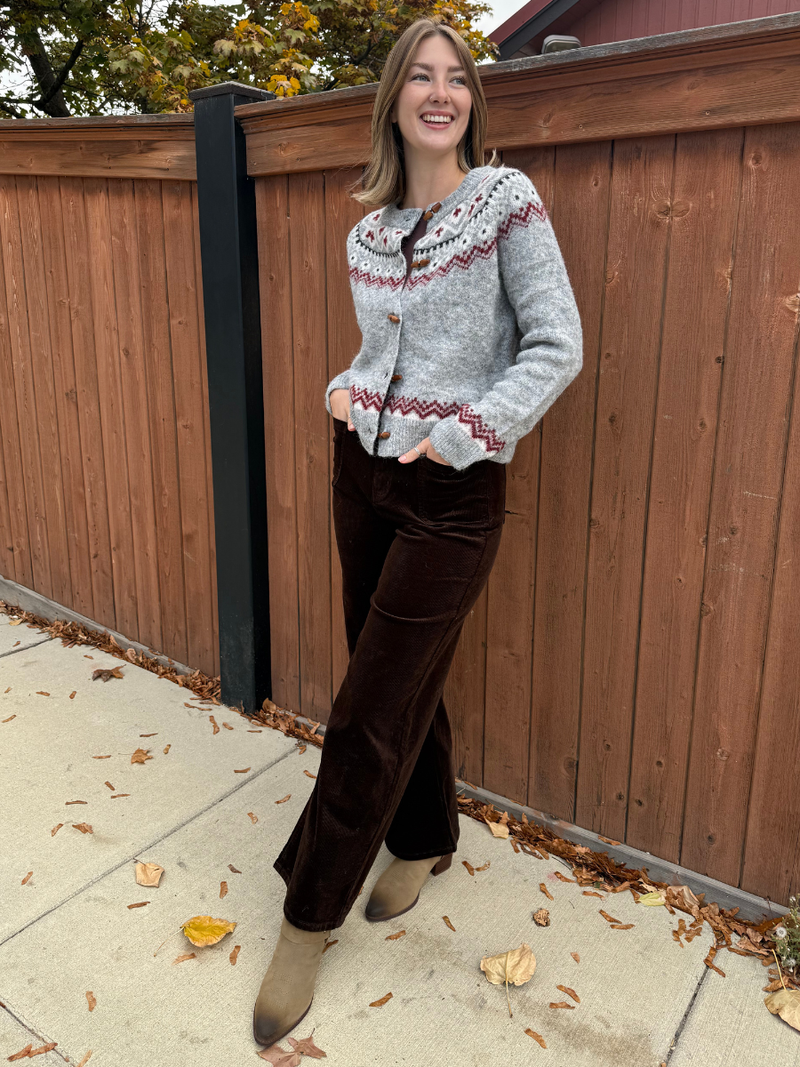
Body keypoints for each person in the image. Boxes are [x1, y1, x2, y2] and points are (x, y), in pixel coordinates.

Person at [253, 15, 583, 1049]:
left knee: (365, 708)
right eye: (421, 77)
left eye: (456, 78)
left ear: (471, 103)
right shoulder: (365, 228)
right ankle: (425, 835)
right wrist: (344, 389)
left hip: (452, 492)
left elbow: (555, 343)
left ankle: (306, 918)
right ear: (394, 99)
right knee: (397, 678)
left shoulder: (504, 202)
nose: (439, 93)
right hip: (361, 473)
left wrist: (464, 434)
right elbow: (377, 350)